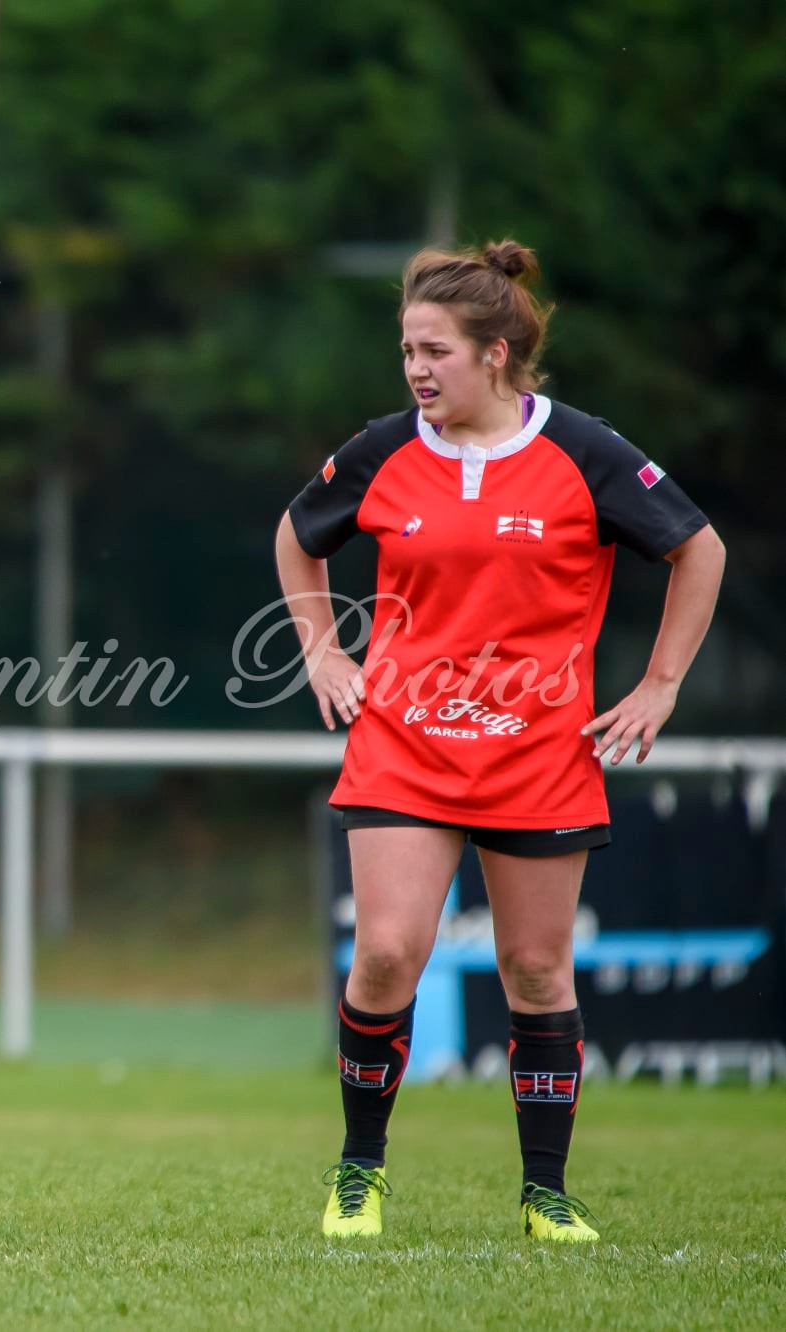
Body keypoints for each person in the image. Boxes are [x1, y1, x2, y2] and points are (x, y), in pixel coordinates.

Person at [276, 239, 723, 1243]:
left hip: (536, 752)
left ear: (495, 352)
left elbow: (698, 549)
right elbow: (296, 536)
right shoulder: (383, 449)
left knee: (533, 970)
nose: (415, 369)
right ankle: (357, 1175)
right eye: (406, 350)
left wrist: (658, 685)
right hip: (403, 740)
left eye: (433, 350)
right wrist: (322, 653)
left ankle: (544, 1195)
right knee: (384, 954)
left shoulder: (583, 452)